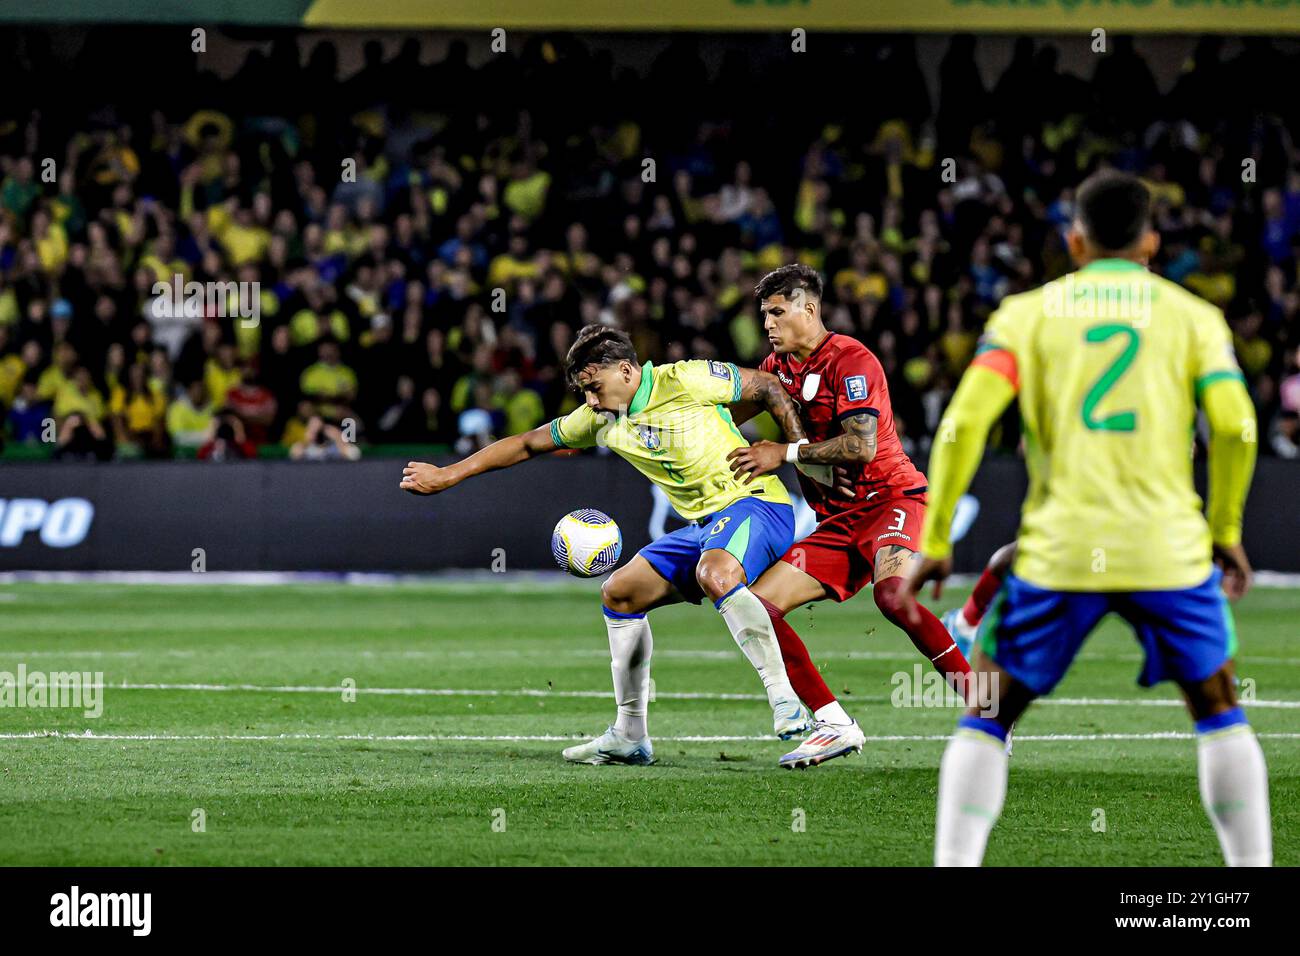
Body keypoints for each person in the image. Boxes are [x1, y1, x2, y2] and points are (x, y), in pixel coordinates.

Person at [902, 170, 1270, 867]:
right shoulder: (1194, 317)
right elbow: (1237, 428)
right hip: (1168, 549)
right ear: (1151, 243)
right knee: (1219, 705)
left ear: (1074, 242)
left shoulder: (1024, 315)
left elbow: (960, 426)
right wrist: (1225, 530)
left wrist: (939, 536)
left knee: (987, 710)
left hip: (1060, 552)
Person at [401, 324, 832, 765]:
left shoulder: (682, 379)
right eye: (584, 391)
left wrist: (797, 454)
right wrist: (449, 474)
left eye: (594, 387)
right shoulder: (601, 419)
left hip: (755, 504)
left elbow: (766, 385)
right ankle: (629, 734)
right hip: (704, 526)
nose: (590, 400)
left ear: (626, 371)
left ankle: (783, 696)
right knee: (620, 594)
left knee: (714, 573)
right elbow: (527, 443)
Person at [723, 264, 973, 769]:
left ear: (808, 309)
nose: (768, 323)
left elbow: (861, 446)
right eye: (764, 313)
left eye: (777, 311)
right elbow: (722, 418)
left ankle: (989, 709)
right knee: (758, 609)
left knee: (890, 596)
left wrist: (784, 454)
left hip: (890, 499)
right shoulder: (778, 369)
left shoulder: (851, 360)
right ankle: (833, 723)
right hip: (837, 520)